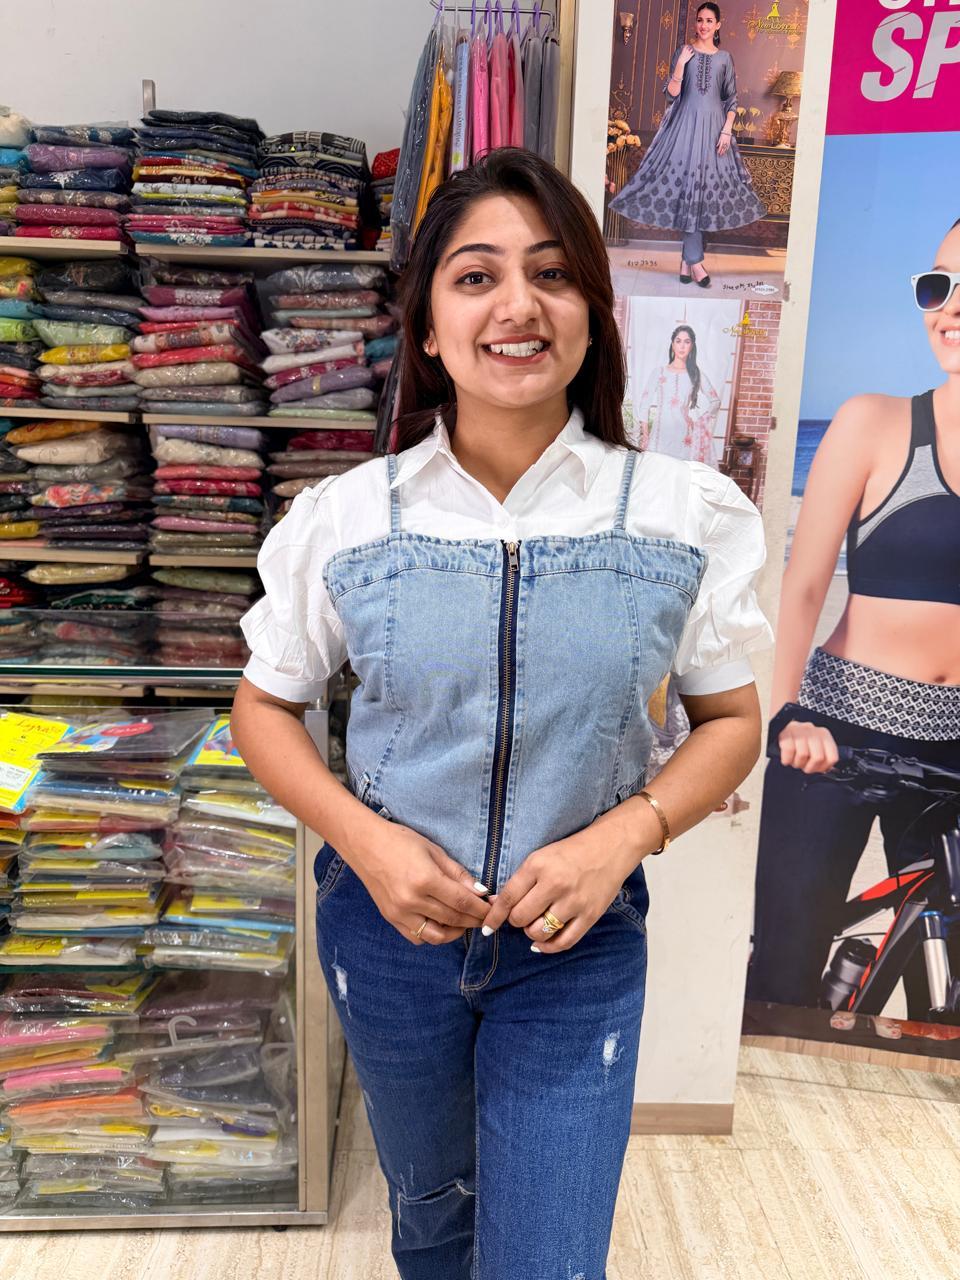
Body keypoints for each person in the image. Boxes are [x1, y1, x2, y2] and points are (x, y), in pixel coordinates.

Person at [231, 148, 770, 1280]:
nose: (518, 304)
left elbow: (731, 721)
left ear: (592, 313)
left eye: (552, 273)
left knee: (548, 1257)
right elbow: (265, 707)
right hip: (388, 936)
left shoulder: (682, 514)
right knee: (431, 1213)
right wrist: (367, 843)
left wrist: (622, 836)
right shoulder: (348, 517)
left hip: (576, 946)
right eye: (476, 277)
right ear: (429, 327)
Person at [747, 220, 960, 1019]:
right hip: (835, 739)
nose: (948, 307)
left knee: (947, 1000)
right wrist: (786, 714)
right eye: (937, 286)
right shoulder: (875, 422)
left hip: (953, 753)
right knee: (785, 979)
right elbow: (802, 585)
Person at [608, 2, 766, 288]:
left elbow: (731, 100)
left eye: (709, 21)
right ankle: (696, 262)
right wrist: (681, 63)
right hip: (684, 129)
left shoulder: (725, 59)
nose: (703, 25)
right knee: (688, 188)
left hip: (714, 131)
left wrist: (727, 130)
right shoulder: (684, 52)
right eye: (700, 20)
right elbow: (671, 93)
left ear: (718, 25)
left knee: (703, 191)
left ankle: (686, 260)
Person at [632, 323, 722, 465]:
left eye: (687, 342)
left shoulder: (696, 374)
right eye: (678, 341)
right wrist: (645, 435)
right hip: (659, 437)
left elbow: (715, 401)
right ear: (672, 345)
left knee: (680, 475)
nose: (682, 346)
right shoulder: (659, 373)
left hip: (684, 438)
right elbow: (644, 405)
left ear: (692, 346)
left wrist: (700, 421)